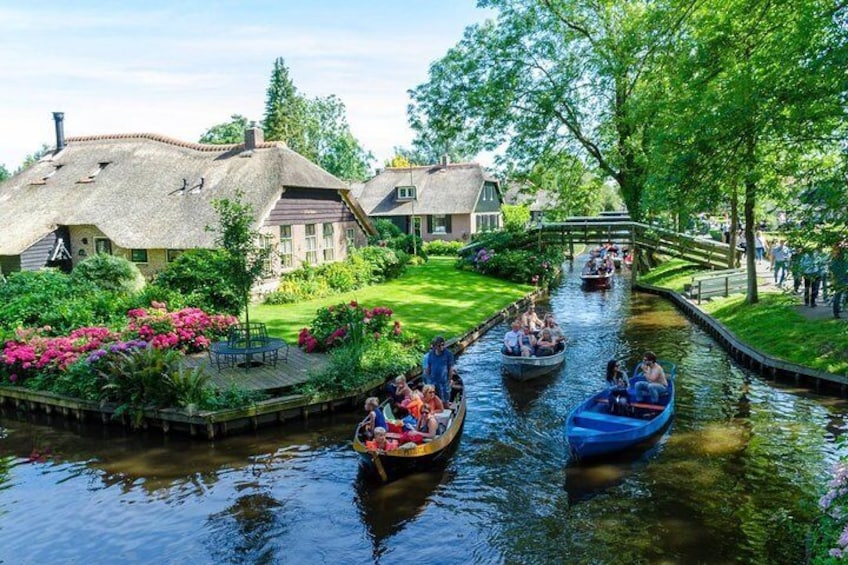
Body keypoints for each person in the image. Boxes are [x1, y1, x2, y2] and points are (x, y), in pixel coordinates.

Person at [423, 335, 454, 402]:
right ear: (435, 346)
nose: (442, 347)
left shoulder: (448, 354)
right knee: (432, 400)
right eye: (439, 345)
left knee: (445, 401)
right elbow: (428, 367)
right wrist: (428, 379)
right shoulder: (431, 354)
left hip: (443, 382)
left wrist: (449, 380)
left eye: (443, 345)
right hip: (433, 381)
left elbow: (451, 368)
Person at [831, 242, 847, 319]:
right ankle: (836, 311)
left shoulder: (837, 258)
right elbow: (832, 268)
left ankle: (837, 310)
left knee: (839, 294)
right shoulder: (837, 259)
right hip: (840, 278)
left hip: (843, 276)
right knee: (838, 295)